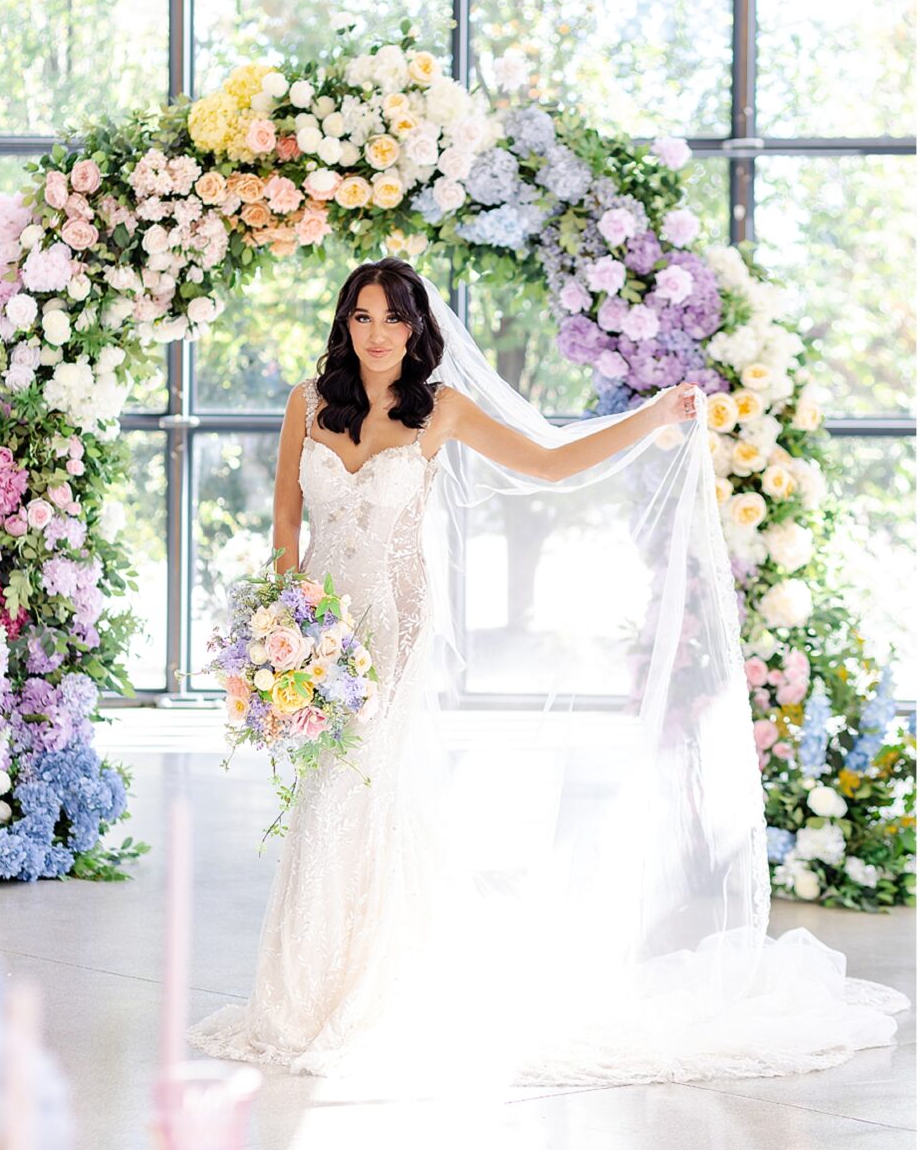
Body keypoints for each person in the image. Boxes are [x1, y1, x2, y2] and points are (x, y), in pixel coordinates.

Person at [187, 259, 909, 1093]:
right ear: (343, 324)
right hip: (317, 634)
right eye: (360, 317)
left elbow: (552, 466)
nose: (376, 334)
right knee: (326, 797)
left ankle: (375, 997)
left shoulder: (441, 410)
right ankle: (302, 998)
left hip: (393, 632)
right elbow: (285, 518)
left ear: (417, 328)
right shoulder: (307, 404)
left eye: (392, 318)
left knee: (368, 792)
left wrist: (648, 418)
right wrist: (284, 627)